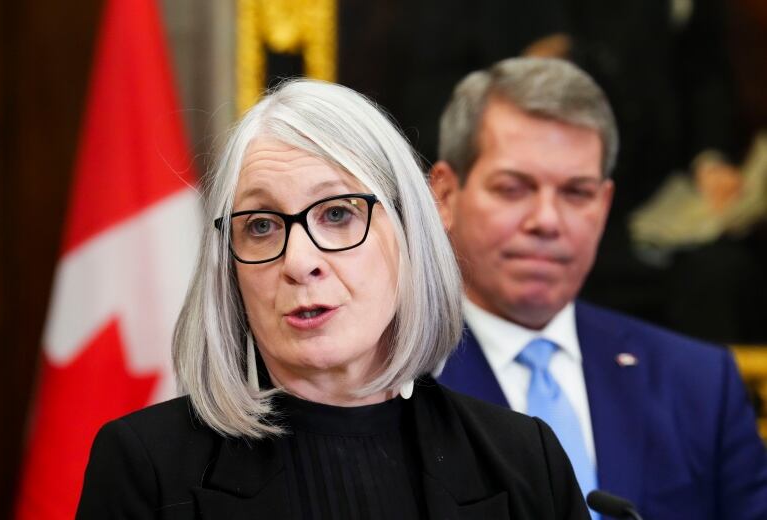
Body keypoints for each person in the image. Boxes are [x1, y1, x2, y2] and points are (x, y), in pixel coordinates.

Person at [76, 79, 590, 519]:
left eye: (338, 214)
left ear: (411, 232)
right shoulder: (147, 467)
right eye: (260, 225)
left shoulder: (525, 460)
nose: (299, 261)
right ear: (228, 268)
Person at [430, 57, 767, 520]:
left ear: (604, 204)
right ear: (445, 196)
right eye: (513, 188)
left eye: (576, 193)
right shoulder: (392, 384)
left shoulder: (699, 385)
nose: (546, 220)